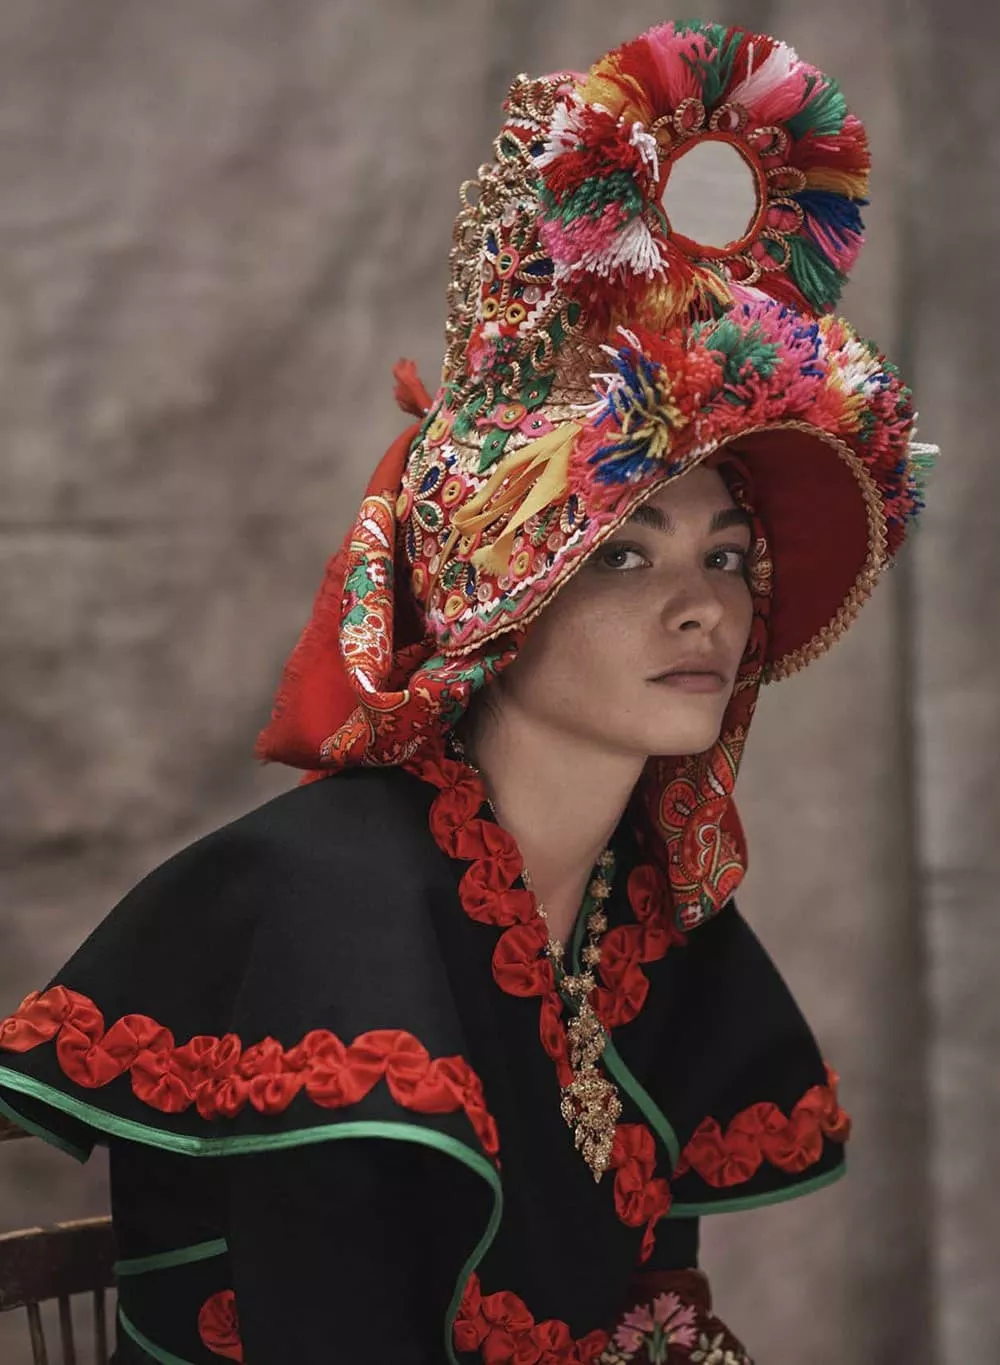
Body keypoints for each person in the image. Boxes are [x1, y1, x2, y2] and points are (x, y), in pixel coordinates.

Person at [0, 19, 937, 1365]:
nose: (703, 605)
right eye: (621, 551)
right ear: (496, 598)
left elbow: (659, 1318)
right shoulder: (336, 916)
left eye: (727, 555)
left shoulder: (639, 905)